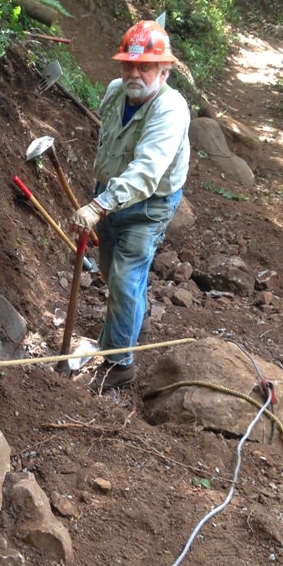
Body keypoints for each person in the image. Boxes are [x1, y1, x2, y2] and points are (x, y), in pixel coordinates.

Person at [70, 20, 190, 390]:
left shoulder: (171, 110)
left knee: (124, 279)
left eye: (145, 67)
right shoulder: (114, 91)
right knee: (111, 271)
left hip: (149, 204)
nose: (134, 74)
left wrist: (97, 206)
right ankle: (137, 318)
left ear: (164, 71)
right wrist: (102, 196)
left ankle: (120, 364)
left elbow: (146, 172)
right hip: (110, 194)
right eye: (129, 65)